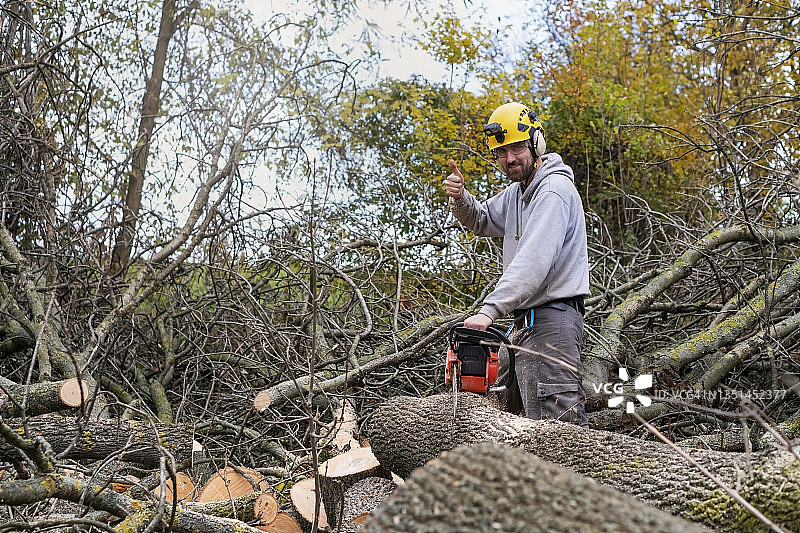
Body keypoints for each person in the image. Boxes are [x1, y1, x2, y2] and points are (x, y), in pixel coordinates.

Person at [444, 101, 590, 427]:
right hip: (524, 324)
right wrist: (460, 199)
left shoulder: (553, 191)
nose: (509, 159)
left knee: (560, 428)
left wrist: (488, 310)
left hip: (552, 321)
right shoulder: (516, 194)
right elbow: (481, 219)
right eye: (501, 152)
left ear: (536, 143)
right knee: (515, 424)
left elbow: (533, 263)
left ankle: (577, 480)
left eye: (517, 148)